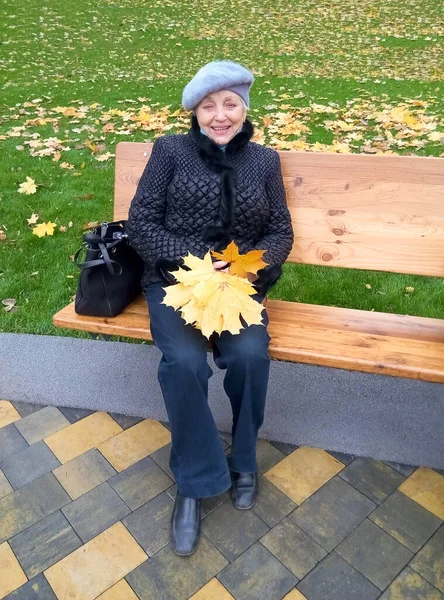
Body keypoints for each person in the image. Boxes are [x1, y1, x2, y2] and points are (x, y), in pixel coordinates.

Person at [126, 60, 294, 556]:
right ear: (195, 112)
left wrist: (248, 272)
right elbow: (141, 221)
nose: (220, 116)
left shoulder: (265, 161)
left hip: (238, 287)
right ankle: (196, 480)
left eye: (230, 104)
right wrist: (193, 263)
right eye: (208, 106)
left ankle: (244, 459)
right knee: (182, 363)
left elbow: (280, 230)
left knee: (248, 356)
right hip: (176, 282)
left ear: (244, 108)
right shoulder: (170, 152)